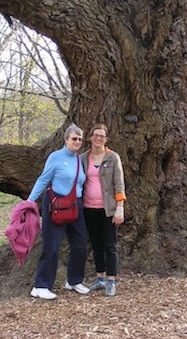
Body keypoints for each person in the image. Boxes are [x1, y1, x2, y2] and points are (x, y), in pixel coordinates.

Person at [27, 124, 90, 300]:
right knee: (51, 247)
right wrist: (30, 201)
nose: (77, 142)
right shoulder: (55, 157)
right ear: (66, 140)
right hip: (56, 205)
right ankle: (40, 286)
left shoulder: (79, 159)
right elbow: (43, 179)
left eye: (79, 139)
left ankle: (74, 280)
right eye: (74, 139)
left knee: (79, 245)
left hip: (75, 206)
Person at [81, 123, 126, 297]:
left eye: (102, 136)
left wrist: (120, 208)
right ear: (91, 137)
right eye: (95, 135)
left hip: (108, 210)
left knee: (110, 245)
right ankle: (99, 278)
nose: (98, 138)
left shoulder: (113, 157)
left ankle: (111, 280)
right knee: (96, 244)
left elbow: (119, 183)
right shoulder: (84, 158)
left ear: (105, 139)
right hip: (89, 209)